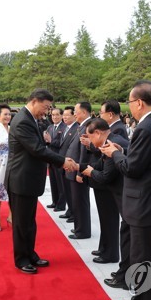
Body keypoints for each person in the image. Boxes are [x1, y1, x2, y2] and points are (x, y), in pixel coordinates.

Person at [100, 80, 151, 300]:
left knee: (144, 263)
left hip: (144, 205)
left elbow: (132, 169)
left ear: (140, 102)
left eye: (130, 102)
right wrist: (125, 152)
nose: (128, 106)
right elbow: (143, 160)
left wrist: (114, 153)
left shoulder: (145, 127)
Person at [4, 89, 75, 274]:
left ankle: (30, 254)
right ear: (35, 101)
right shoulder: (22, 121)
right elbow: (37, 149)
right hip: (20, 179)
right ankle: (22, 259)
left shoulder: (31, 119)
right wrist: (62, 161)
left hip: (28, 179)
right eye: (45, 107)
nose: (46, 112)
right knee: (21, 223)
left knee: (29, 222)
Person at [78, 118, 129, 264]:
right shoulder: (109, 140)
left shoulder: (112, 142)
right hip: (112, 188)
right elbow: (100, 163)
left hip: (118, 190)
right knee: (107, 221)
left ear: (98, 133)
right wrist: (80, 167)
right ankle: (106, 250)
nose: (91, 142)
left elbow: (106, 175)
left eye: (91, 137)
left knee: (114, 223)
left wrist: (90, 172)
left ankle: (112, 255)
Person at [66, 102, 92, 240]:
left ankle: (82, 231)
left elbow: (84, 152)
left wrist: (79, 172)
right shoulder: (81, 126)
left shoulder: (88, 126)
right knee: (77, 201)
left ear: (84, 112)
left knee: (80, 201)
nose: (74, 114)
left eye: (76, 111)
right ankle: (79, 227)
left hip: (79, 170)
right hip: (75, 168)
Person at [57, 106, 79, 221]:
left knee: (72, 192)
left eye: (67, 115)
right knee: (65, 189)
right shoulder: (65, 127)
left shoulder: (77, 128)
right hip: (63, 163)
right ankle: (70, 210)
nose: (64, 117)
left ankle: (74, 213)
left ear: (74, 116)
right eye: (63, 115)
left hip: (70, 164)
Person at [43, 107, 67, 211]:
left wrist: (50, 140)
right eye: (53, 115)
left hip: (59, 159)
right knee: (53, 182)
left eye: (57, 114)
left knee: (61, 184)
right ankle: (55, 201)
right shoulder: (50, 127)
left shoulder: (65, 127)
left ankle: (61, 205)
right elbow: (46, 142)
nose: (55, 117)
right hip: (50, 159)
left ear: (61, 116)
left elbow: (61, 143)